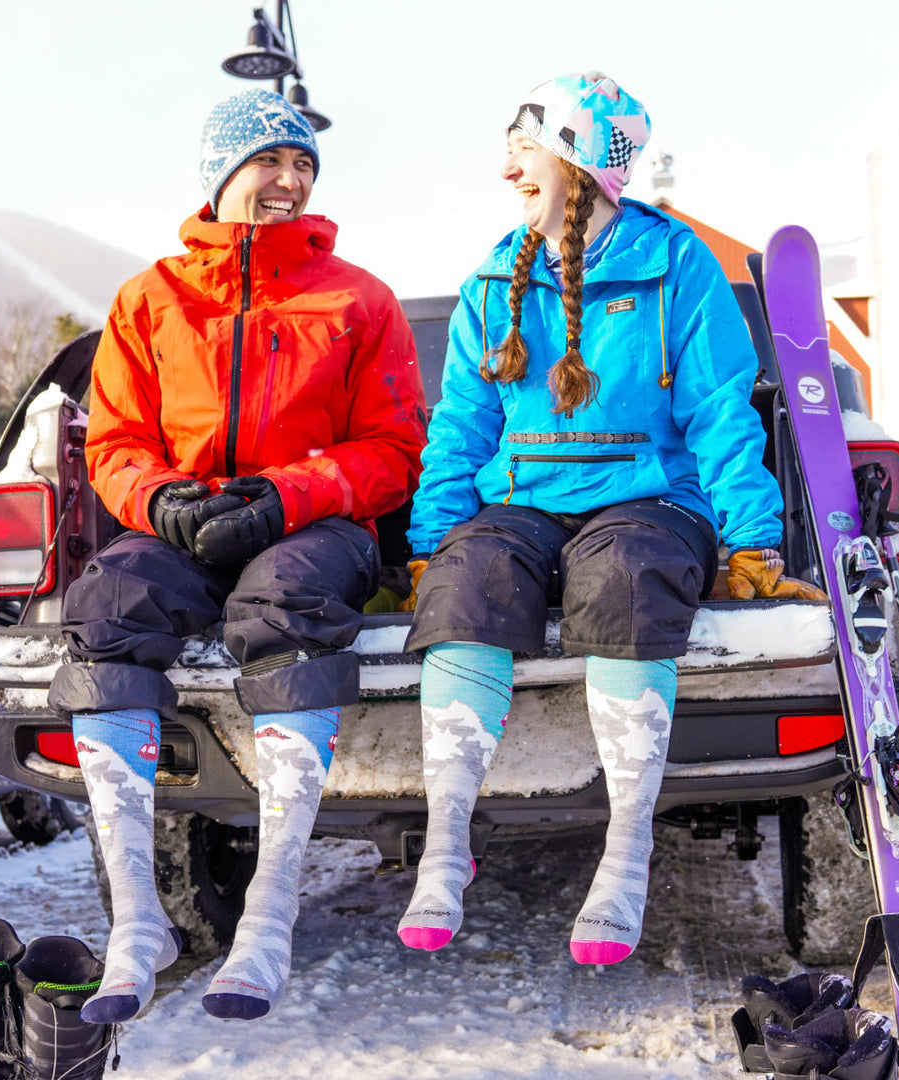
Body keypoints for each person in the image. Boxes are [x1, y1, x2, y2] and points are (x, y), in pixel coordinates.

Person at [396, 72, 823, 966]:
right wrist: (432, 542)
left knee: (624, 578)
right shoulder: (490, 282)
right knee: (468, 581)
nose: (509, 167)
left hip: (649, 497)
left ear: (582, 162)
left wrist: (751, 538)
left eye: (527, 147)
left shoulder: (677, 268)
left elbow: (718, 409)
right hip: (524, 499)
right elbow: (463, 426)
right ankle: (445, 843)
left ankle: (626, 849)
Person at [47, 88, 426, 1024]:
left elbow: (394, 449)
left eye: (304, 164)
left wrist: (288, 494)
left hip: (312, 525)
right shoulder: (149, 300)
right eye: (270, 160)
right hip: (186, 521)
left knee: (281, 608)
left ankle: (268, 911)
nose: (290, 179)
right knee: (105, 609)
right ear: (222, 175)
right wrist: (161, 501)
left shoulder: (358, 298)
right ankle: (139, 920)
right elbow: (116, 446)